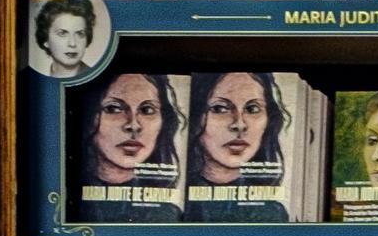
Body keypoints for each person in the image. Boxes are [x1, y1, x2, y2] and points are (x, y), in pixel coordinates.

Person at [75, 70, 181, 220]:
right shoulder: (72, 206)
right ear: (89, 116)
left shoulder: (169, 215)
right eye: (113, 108)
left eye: (147, 109)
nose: (133, 125)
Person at [186, 69, 288, 221]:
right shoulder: (175, 207)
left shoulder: (272, 212)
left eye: (252, 109)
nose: (239, 124)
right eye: (219, 108)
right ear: (195, 117)